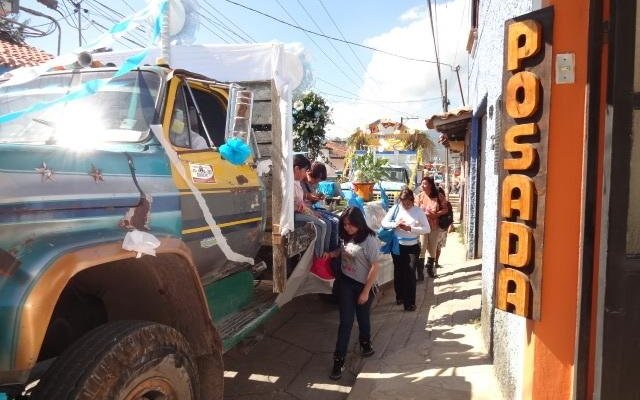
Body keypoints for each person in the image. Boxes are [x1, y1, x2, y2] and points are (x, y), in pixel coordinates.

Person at [324, 207, 379, 380]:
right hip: (346, 283)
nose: (348, 228)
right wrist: (332, 254)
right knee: (346, 322)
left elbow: (375, 266)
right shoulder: (346, 236)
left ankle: (365, 343)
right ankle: (338, 362)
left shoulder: (370, 239)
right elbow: (343, 249)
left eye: (351, 224)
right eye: (345, 224)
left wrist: (365, 291)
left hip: (364, 285)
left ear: (359, 222)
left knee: (363, 317)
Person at [381, 188, 429, 311]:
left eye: (408, 203)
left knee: (410, 273)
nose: (406, 205)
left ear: (412, 200)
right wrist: (395, 224)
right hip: (397, 245)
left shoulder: (418, 211)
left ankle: (410, 303)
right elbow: (384, 222)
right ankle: (400, 296)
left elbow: (426, 229)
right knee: (399, 271)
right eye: (403, 203)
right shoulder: (396, 208)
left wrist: (411, 229)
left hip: (412, 246)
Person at [293, 155, 327, 257]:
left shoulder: (297, 182)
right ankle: (319, 256)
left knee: (323, 223)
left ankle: (322, 253)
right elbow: (296, 204)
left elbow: (301, 202)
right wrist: (310, 212)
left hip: (301, 212)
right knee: (322, 225)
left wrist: (311, 212)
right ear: (296, 169)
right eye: (304, 171)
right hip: (294, 215)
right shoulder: (290, 183)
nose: (304, 175)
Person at [301, 162, 339, 251]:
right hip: (305, 211)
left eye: (318, 181)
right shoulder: (299, 182)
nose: (315, 182)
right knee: (328, 223)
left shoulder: (314, 184)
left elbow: (311, 202)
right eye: (314, 179)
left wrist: (317, 198)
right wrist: (308, 196)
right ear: (308, 172)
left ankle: (335, 248)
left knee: (337, 219)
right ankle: (326, 252)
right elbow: (299, 201)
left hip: (311, 209)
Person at [415, 176, 444, 279]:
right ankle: (420, 273)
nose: (422, 185)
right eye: (422, 183)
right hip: (422, 227)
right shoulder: (419, 197)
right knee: (422, 248)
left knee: (432, 248)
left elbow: (445, 209)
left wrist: (436, 215)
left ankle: (430, 269)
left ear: (430, 185)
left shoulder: (438, 196)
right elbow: (415, 210)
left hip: (434, 227)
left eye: (425, 183)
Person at [436, 187, 453, 266]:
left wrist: (450, 225)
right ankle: (432, 262)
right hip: (435, 228)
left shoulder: (448, 204)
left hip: (443, 228)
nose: (440, 196)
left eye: (441, 195)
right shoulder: (435, 204)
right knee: (434, 246)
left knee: (439, 247)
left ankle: (436, 262)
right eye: (438, 195)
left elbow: (450, 216)